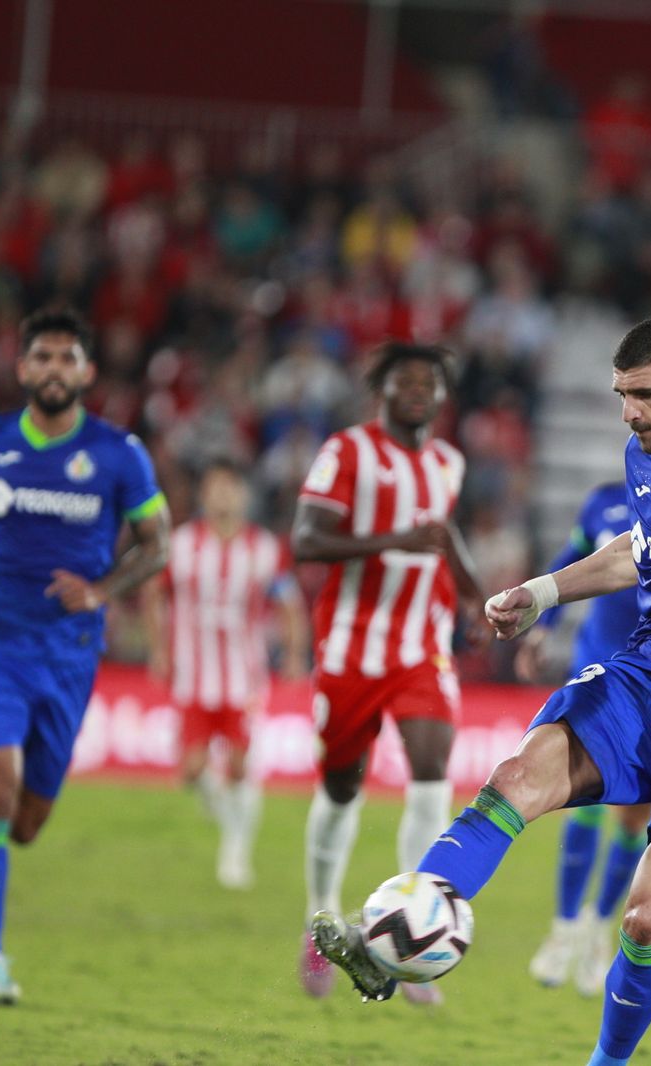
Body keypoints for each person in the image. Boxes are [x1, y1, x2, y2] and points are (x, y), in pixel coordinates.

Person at [311, 315, 651, 1066]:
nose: (629, 414)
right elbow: (640, 549)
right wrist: (545, 591)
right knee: (515, 777)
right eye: (621, 396)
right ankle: (389, 937)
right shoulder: (643, 455)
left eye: (644, 396)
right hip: (647, 676)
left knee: (648, 918)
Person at [0, 307, 170, 1004]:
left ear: (88, 370)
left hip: (69, 655)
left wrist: (103, 590)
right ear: (22, 368)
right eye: (42, 357)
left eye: (67, 357)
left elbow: (158, 543)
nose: (54, 369)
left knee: (22, 825)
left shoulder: (118, 454)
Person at [290, 341, 484, 1005]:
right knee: (341, 787)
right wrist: (391, 541)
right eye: (406, 380)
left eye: (430, 381)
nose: (419, 390)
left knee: (432, 773)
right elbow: (306, 539)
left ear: (443, 394)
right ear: (383, 389)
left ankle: (410, 940)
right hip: (351, 647)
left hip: (421, 647)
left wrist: (473, 597)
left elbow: (443, 534)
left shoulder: (448, 461)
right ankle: (319, 919)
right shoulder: (347, 452)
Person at [142, 459, 307, 890]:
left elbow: (288, 602)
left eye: (230, 487)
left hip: (244, 678)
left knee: (238, 766)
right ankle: (224, 815)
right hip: (192, 675)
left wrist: (293, 654)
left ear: (243, 495)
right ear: (204, 494)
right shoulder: (181, 545)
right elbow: (153, 592)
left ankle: (236, 852)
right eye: (215, 487)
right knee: (191, 771)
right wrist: (158, 648)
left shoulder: (263, 549)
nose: (223, 495)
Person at [517, 482, 651, 997]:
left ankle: (599, 928)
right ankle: (564, 929)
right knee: (584, 801)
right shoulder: (602, 501)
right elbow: (569, 560)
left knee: (633, 817)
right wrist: (541, 624)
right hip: (597, 667)